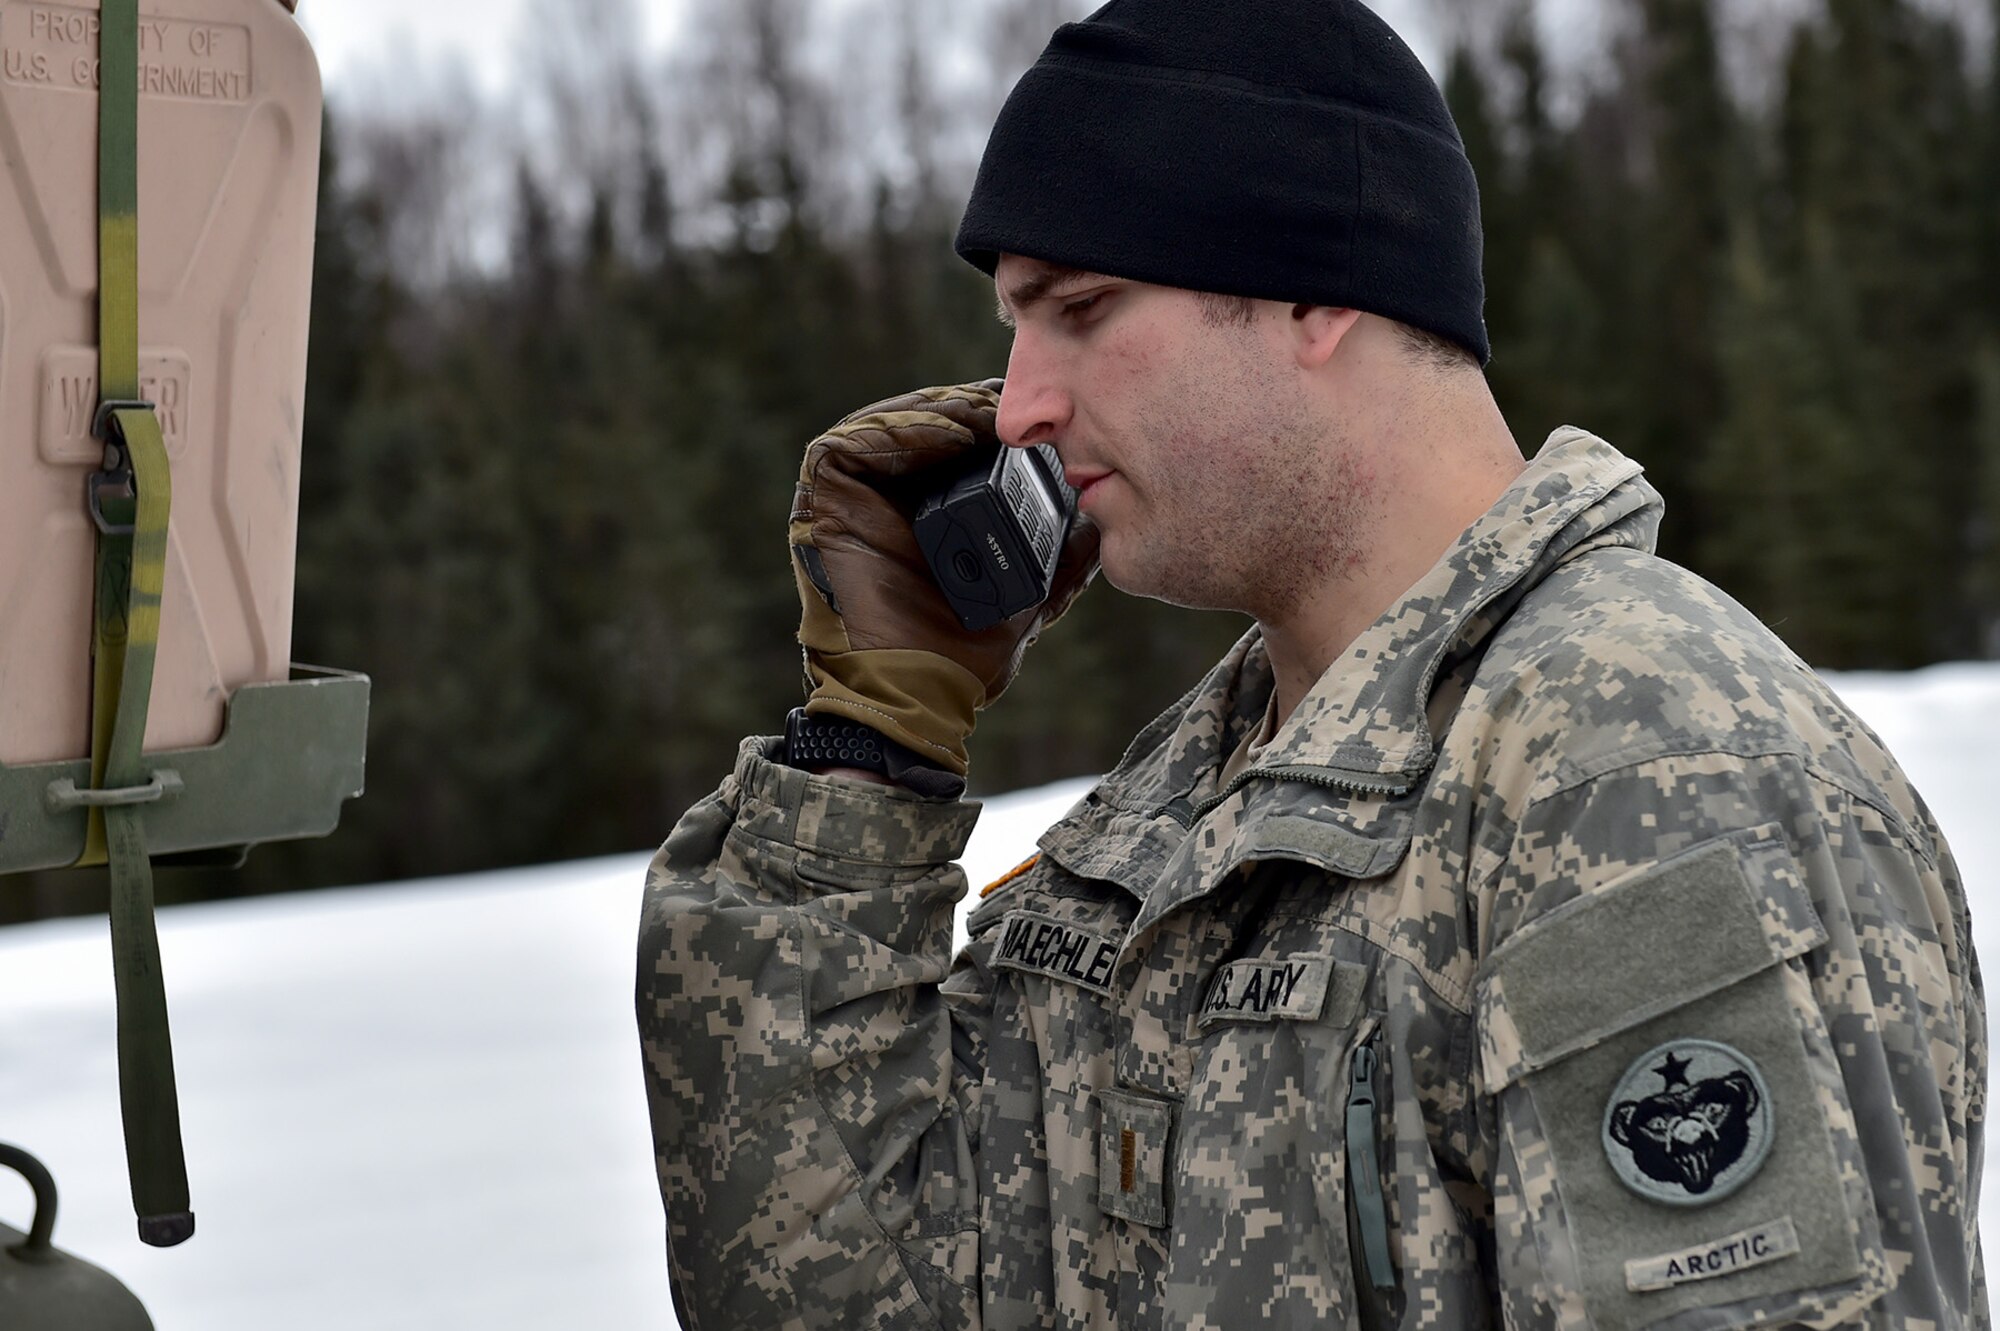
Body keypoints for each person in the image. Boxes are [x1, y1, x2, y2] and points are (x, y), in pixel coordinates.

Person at [636, 1, 1987, 1327]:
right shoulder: (1167, 828)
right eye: (1014, 325)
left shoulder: (1637, 771)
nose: (1020, 402)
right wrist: (869, 752)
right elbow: (825, 1290)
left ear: (1313, 290)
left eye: (1082, 307)